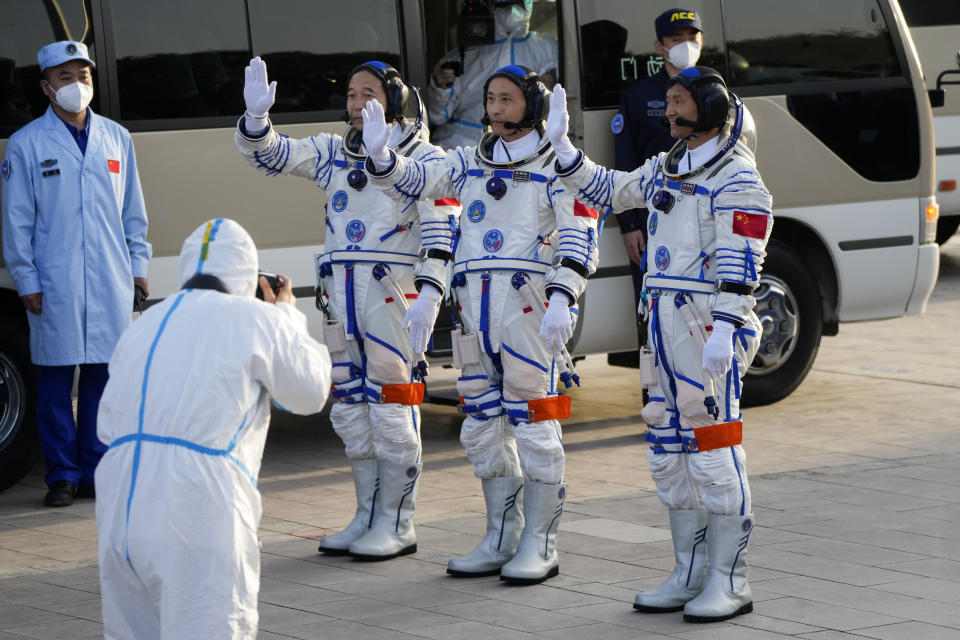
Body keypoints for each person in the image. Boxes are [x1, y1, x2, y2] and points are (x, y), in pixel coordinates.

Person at [546, 67, 771, 622]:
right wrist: (562, 150)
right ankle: (688, 572)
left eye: (678, 103)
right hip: (663, 322)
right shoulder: (666, 167)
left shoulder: (737, 177)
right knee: (669, 450)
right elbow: (608, 189)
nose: (668, 113)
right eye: (667, 102)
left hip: (705, 324)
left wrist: (726, 326)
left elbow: (743, 259)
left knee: (714, 450)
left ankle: (729, 579)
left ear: (711, 109)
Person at [363, 65, 599, 584]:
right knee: (482, 427)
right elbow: (419, 181)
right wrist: (384, 157)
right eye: (490, 98)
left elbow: (580, 231)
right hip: (475, 315)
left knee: (535, 428)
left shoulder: (560, 164)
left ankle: (541, 542)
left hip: (529, 313)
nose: (494, 108)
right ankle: (500, 535)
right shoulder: (468, 161)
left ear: (533, 106)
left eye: (507, 99)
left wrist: (564, 298)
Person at [235, 58, 457, 560]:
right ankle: (366, 516)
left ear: (396, 99)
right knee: (353, 411)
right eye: (352, 95)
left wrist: (429, 295)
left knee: (392, 410)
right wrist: (255, 121)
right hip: (342, 298)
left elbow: (443, 237)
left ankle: (397, 523)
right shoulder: (336, 153)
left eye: (369, 94)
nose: (357, 105)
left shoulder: (424, 159)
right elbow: (272, 156)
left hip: (391, 298)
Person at [95, 218, 331, 639]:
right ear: (247, 274)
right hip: (198, 508)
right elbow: (309, 392)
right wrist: (287, 318)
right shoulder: (255, 318)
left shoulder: (143, 325)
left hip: (120, 505)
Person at [0, 40, 151, 507]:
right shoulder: (27, 144)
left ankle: (95, 470)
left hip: (110, 276)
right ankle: (62, 475)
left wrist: (139, 268)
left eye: (83, 77)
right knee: (54, 378)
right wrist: (26, 280)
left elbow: (133, 212)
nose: (77, 86)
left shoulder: (116, 138)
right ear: (47, 87)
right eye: (66, 78)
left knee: (102, 378)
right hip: (54, 282)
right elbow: (16, 221)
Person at [614, 8, 704, 362]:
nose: (686, 45)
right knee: (653, 309)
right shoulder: (639, 96)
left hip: (701, 215)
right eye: (676, 39)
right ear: (659, 46)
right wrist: (630, 225)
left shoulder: (716, 91)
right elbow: (626, 162)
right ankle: (656, 394)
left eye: (692, 38)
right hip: (655, 221)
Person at [428, 0, 557, 149]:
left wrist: (552, 79)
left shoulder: (550, 49)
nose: (514, 7)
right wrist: (440, 86)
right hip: (461, 147)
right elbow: (437, 116)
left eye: (520, 1)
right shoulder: (461, 57)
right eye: (505, 2)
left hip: (522, 152)